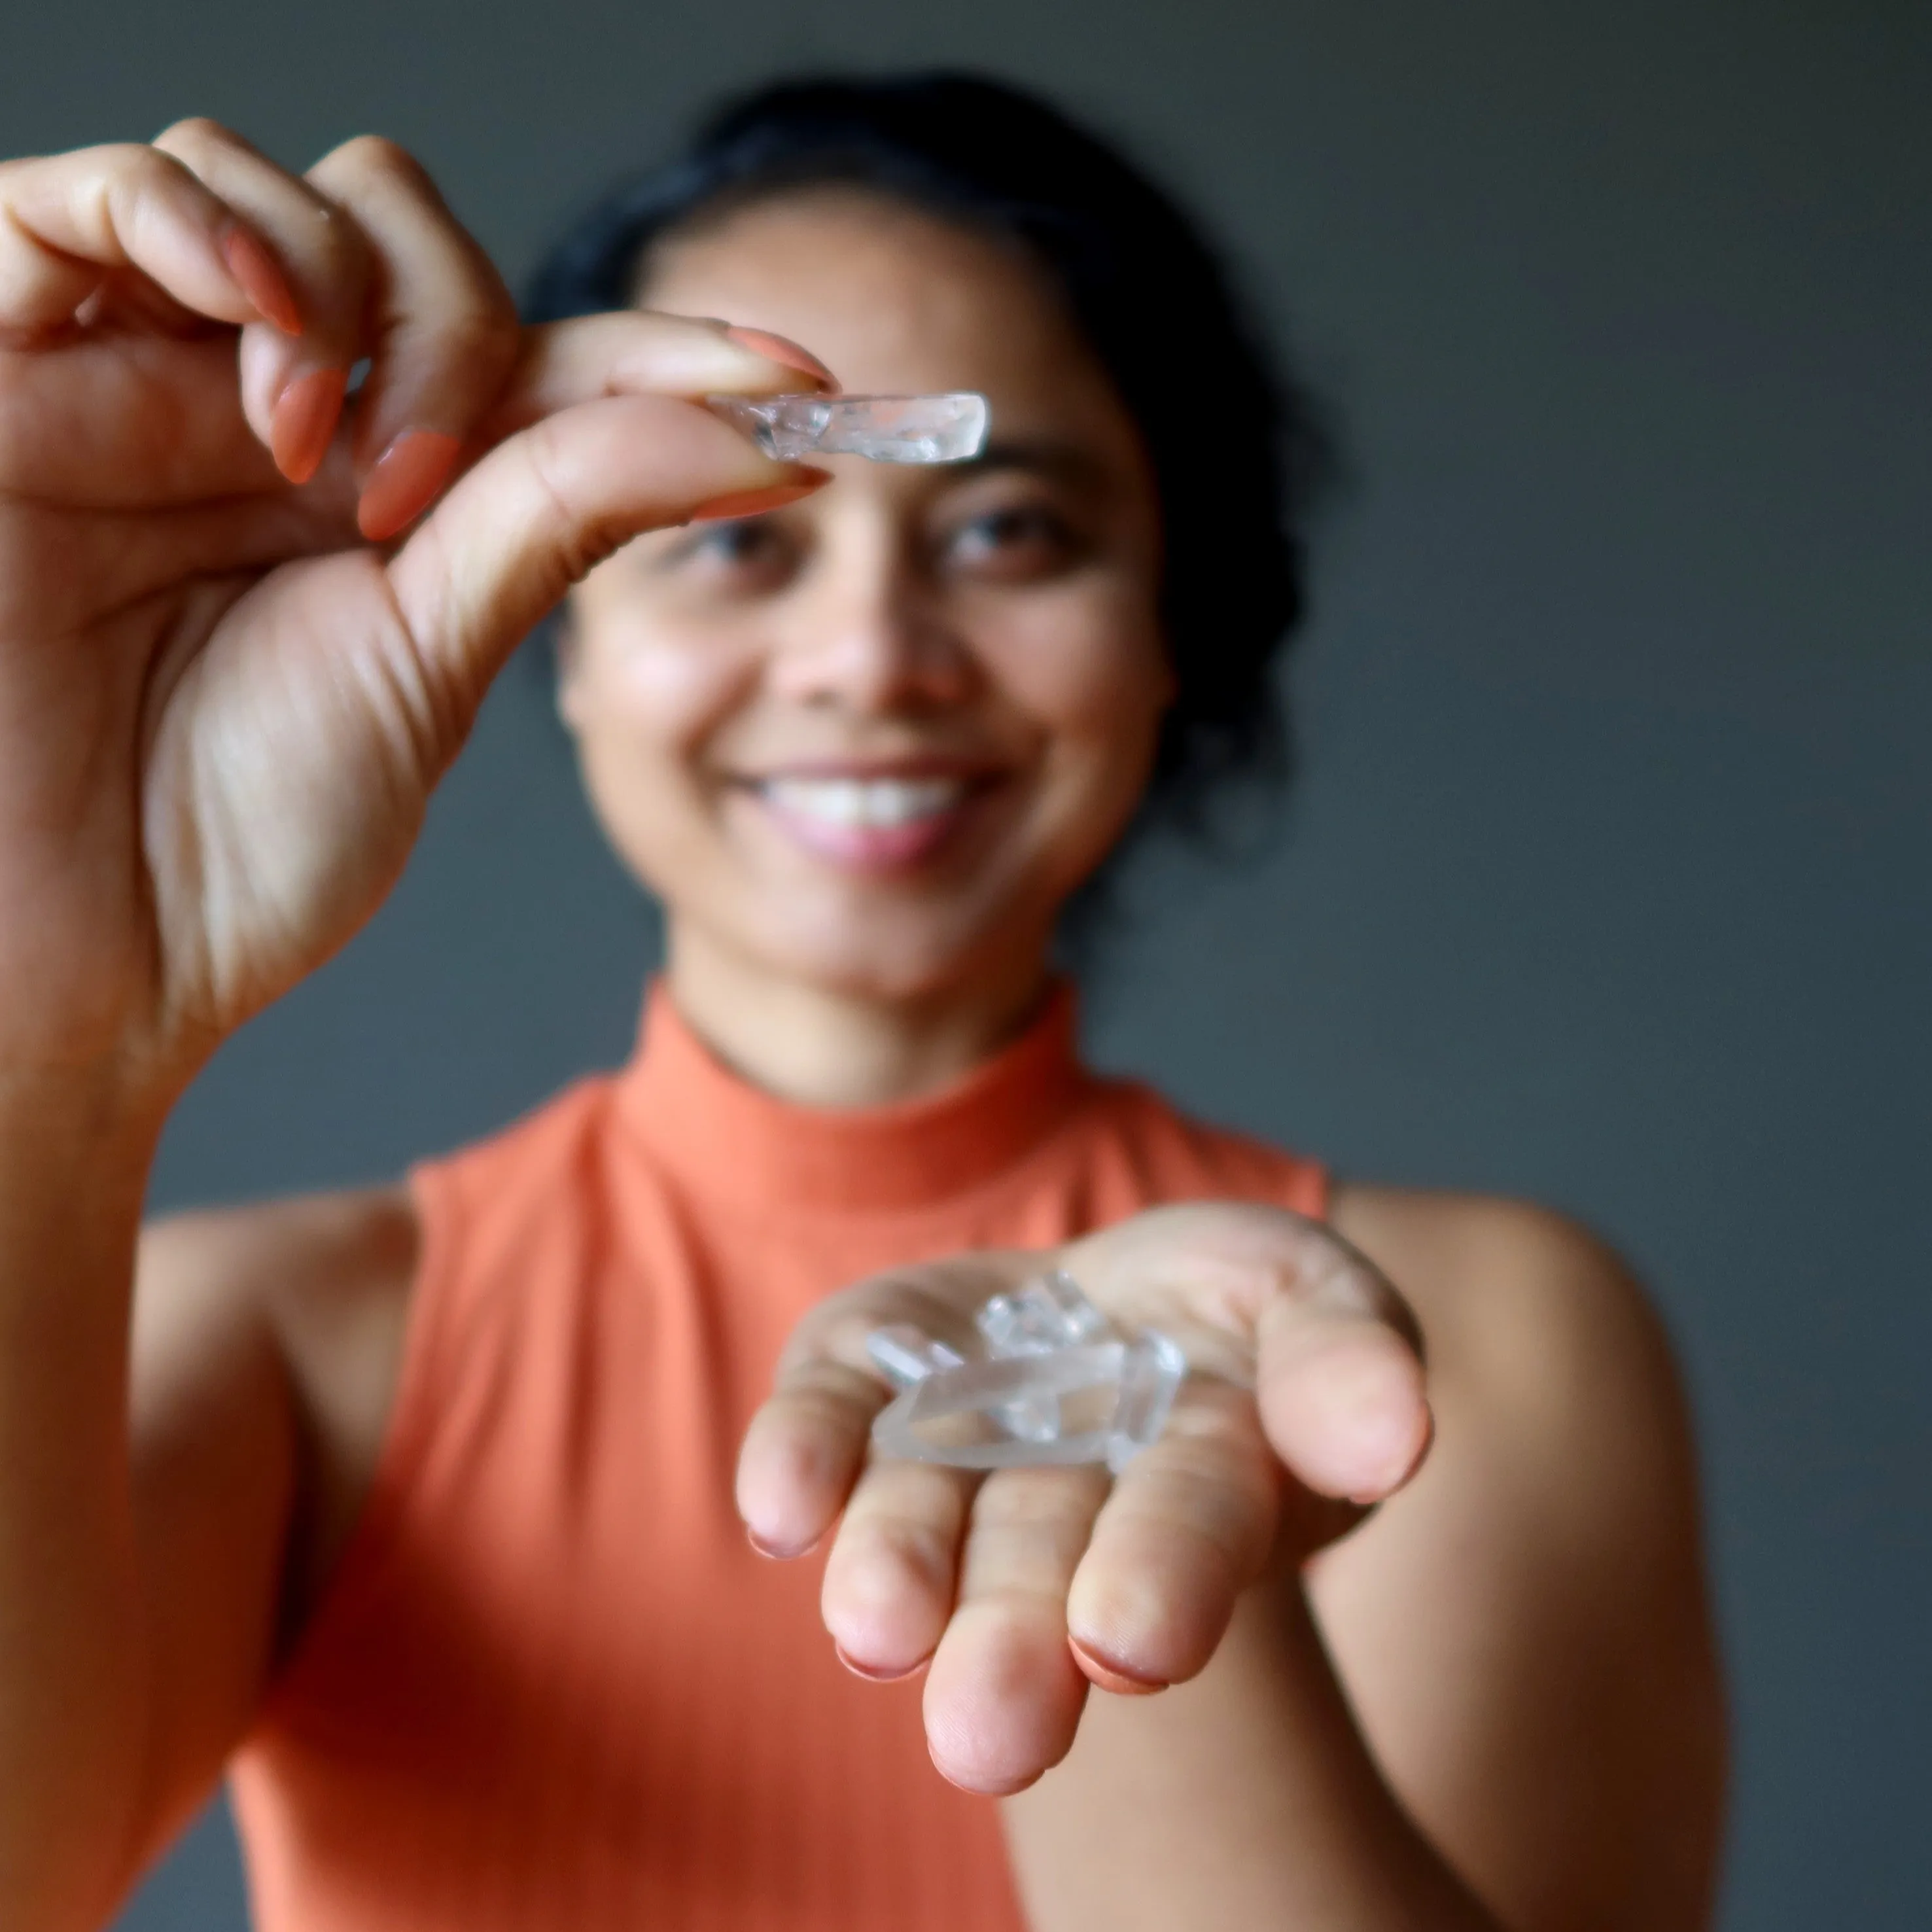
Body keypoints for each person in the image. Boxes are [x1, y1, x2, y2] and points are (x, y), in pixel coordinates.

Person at [0, 73, 1724, 1932]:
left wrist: (1143, 1565)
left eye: (1008, 536)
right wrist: (49, 1035)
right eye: (741, 534)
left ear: (1173, 624)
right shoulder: (274, 1350)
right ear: (554, 630)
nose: (870, 661)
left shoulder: (1463, 1356)